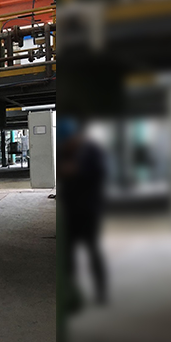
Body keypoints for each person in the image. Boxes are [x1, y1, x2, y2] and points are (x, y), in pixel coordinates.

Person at [58, 118, 108, 307]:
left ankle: (101, 293)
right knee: (68, 255)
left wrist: (79, 171)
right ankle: (73, 295)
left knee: (93, 250)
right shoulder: (65, 153)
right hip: (71, 211)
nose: (67, 145)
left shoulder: (92, 151)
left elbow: (101, 175)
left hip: (89, 210)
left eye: (68, 141)